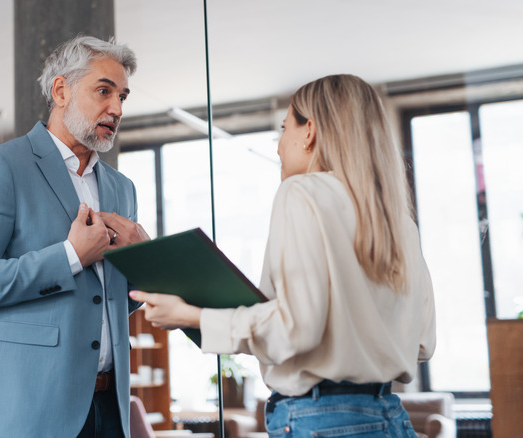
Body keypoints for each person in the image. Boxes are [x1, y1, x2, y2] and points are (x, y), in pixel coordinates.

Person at [130, 74, 436, 438]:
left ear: (310, 132)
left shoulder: (302, 193)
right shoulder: (399, 221)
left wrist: (193, 315)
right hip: (390, 418)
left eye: (284, 127)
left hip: (322, 421)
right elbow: (422, 342)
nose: (278, 146)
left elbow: (297, 328)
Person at [0, 35, 150, 438]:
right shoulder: (0, 167)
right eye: (104, 91)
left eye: (123, 96)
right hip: (26, 414)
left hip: (110, 412)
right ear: (61, 90)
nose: (117, 109)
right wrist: (70, 255)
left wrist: (142, 266)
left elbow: (103, 304)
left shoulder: (123, 189)